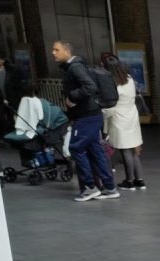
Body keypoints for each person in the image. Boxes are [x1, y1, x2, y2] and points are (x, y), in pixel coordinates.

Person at [52, 40, 119, 202]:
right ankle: (109, 187)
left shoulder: (75, 67)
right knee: (96, 150)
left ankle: (90, 187)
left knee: (75, 148)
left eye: (56, 49)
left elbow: (90, 87)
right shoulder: (75, 66)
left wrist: (72, 97)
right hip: (92, 114)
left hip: (86, 116)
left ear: (67, 51)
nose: (53, 52)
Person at [100, 54, 146, 190]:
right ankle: (140, 180)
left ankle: (129, 181)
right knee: (133, 149)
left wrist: (103, 119)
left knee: (125, 150)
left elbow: (110, 106)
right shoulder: (129, 79)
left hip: (119, 118)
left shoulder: (113, 84)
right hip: (132, 116)